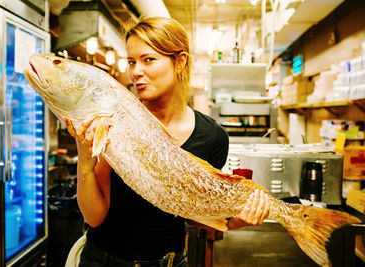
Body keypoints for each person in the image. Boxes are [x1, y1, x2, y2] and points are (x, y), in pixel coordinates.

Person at [65, 17, 270, 267]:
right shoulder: (117, 120)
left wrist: (234, 220)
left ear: (180, 60)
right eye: (132, 62)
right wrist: (85, 162)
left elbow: (195, 214)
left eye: (148, 59)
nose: (136, 71)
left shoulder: (212, 137)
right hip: (103, 260)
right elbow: (94, 217)